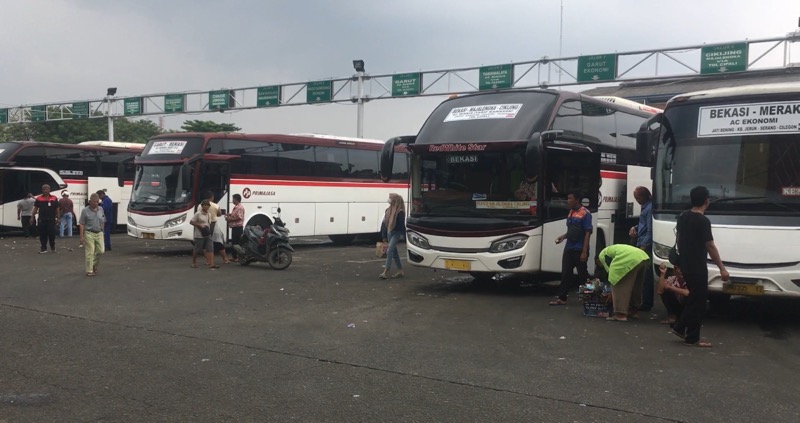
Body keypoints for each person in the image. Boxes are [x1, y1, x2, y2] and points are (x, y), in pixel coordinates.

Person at [671, 186, 729, 348]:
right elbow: (710, 246)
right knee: (699, 301)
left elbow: (679, 240)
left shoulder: (683, 217)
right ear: (706, 201)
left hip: (685, 264)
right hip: (697, 265)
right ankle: (691, 335)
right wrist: (722, 268)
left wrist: (679, 263)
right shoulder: (703, 221)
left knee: (694, 298)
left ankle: (682, 329)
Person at [550, 191, 593, 305]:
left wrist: (584, 252)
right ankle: (562, 298)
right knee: (565, 273)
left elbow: (587, 233)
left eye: (570, 198)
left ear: (577, 200)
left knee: (582, 274)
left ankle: (589, 297)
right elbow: (572, 231)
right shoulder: (571, 212)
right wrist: (563, 237)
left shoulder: (585, 213)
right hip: (569, 247)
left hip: (579, 249)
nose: (567, 201)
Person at [597, 244, 650, 321]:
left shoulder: (602, 255)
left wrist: (612, 291)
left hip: (629, 258)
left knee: (620, 286)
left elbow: (611, 272)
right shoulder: (613, 249)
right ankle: (633, 311)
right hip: (643, 257)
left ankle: (620, 314)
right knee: (636, 286)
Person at [628, 186, 654, 311]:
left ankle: (647, 303)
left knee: (646, 276)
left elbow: (650, 230)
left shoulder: (649, 209)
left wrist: (643, 247)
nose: (637, 200)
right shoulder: (646, 207)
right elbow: (643, 225)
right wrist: (635, 227)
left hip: (645, 245)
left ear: (644, 196)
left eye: (637, 198)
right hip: (641, 241)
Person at [379, 193, 406, 279]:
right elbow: (384, 223)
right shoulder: (388, 210)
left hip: (396, 233)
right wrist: (384, 236)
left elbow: (402, 227)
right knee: (394, 253)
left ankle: (385, 272)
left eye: (390, 198)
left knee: (389, 251)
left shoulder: (400, 212)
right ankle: (400, 270)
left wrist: (406, 239)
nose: (389, 199)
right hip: (389, 232)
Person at [79, 193, 106, 277]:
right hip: (89, 233)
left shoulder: (101, 209)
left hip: (99, 233)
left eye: (97, 202)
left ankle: (94, 264)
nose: (96, 204)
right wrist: (81, 237)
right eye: (94, 202)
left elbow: (102, 221)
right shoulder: (85, 210)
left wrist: (103, 232)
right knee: (90, 252)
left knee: (101, 251)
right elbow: (82, 224)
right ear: (90, 201)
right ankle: (89, 270)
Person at [31, 184, 60, 253]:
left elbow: (57, 208)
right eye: (43, 189)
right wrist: (32, 217)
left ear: (49, 190)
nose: (45, 190)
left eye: (46, 189)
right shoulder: (39, 198)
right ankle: (43, 248)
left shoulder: (54, 198)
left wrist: (58, 217)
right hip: (42, 220)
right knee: (42, 234)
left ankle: (52, 246)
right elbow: (35, 208)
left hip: (51, 220)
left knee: (52, 234)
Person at [190, 199, 218, 269]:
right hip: (199, 234)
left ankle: (211, 263)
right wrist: (199, 225)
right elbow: (191, 222)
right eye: (204, 205)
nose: (206, 207)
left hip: (207, 233)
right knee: (197, 249)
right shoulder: (198, 214)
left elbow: (209, 223)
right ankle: (193, 262)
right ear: (202, 206)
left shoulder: (209, 214)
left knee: (210, 248)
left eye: (207, 205)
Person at [224, 194, 245, 262]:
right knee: (234, 242)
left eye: (233, 199)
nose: (232, 200)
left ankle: (238, 257)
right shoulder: (236, 207)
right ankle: (234, 256)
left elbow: (239, 217)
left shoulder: (240, 207)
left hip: (238, 228)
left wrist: (230, 220)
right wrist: (229, 215)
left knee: (237, 243)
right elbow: (235, 215)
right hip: (234, 227)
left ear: (236, 199)